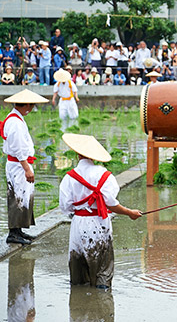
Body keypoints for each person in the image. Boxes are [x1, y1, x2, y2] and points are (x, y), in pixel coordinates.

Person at [58, 133, 142, 288]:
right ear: (95, 156)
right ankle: (102, 302)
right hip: (100, 222)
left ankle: (80, 303)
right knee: (103, 265)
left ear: (78, 154)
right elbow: (111, 204)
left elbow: (65, 206)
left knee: (78, 266)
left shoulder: (69, 178)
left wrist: (80, 208)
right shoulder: (105, 176)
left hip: (78, 224)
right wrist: (130, 212)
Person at [2, 89, 49, 244]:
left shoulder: (16, 118)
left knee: (21, 195)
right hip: (18, 164)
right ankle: (13, 233)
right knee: (17, 196)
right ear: (27, 105)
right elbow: (18, 147)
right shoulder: (15, 121)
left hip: (18, 163)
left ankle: (18, 231)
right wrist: (27, 168)